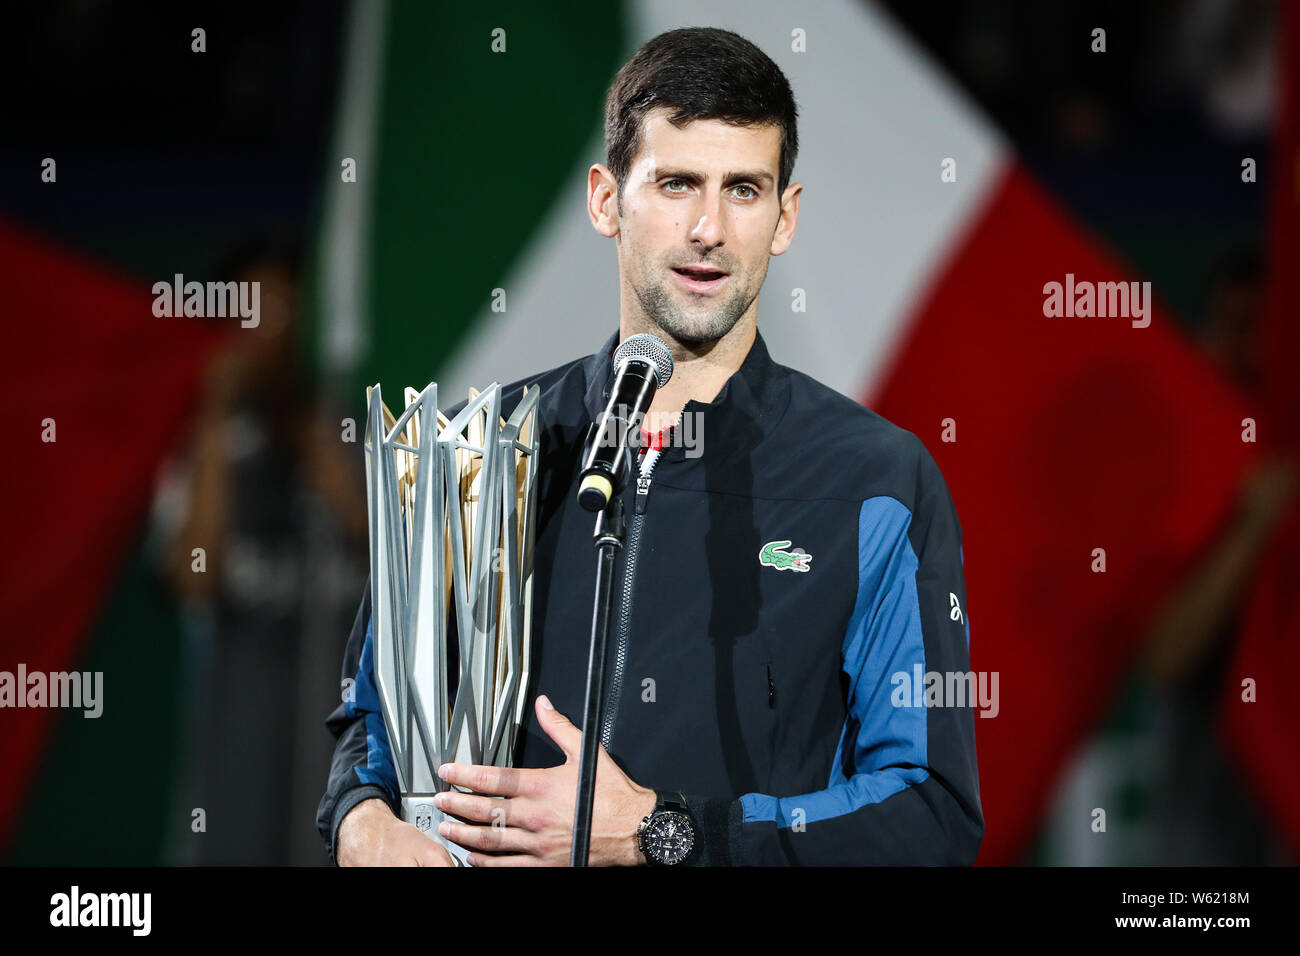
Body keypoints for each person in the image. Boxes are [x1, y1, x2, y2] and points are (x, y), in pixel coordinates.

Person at [317, 27, 983, 866]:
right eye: (675, 184)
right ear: (605, 200)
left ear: (786, 217)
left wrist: (661, 833)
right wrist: (362, 824)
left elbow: (931, 816)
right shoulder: (475, 453)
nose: (708, 227)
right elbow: (371, 723)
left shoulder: (876, 481)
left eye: (744, 189)